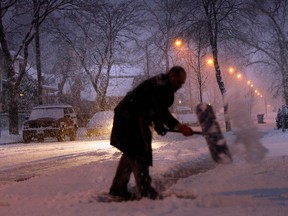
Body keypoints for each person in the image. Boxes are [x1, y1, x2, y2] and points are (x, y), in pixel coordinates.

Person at [109, 65, 194, 200]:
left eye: (182, 83)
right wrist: (179, 126)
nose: (180, 86)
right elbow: (160, 110)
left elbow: (152, 107)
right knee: (140, 150)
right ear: (172, 76)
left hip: (128, 115)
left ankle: (118, 189)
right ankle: (144, 189)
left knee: (131, 151)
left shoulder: (161, 83)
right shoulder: (162, 87)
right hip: (131, 117)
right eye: (178, 82)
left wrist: (157, 123)